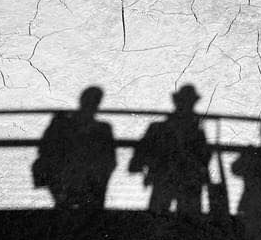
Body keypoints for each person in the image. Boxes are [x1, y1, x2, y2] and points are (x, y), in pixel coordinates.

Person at [130, 85, 211, 218]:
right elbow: (204, 157)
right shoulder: (196, 131)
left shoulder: (159, 127)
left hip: (171, 179)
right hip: (182, 180)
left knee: (161, 217)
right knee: (184, 220)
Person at [33, 87, 115, 211]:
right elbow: (45, 148)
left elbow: (110, 158)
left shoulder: (102, 128)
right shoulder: (62, 122)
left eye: (94, 101)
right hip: (71, 176)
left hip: (81, 177)